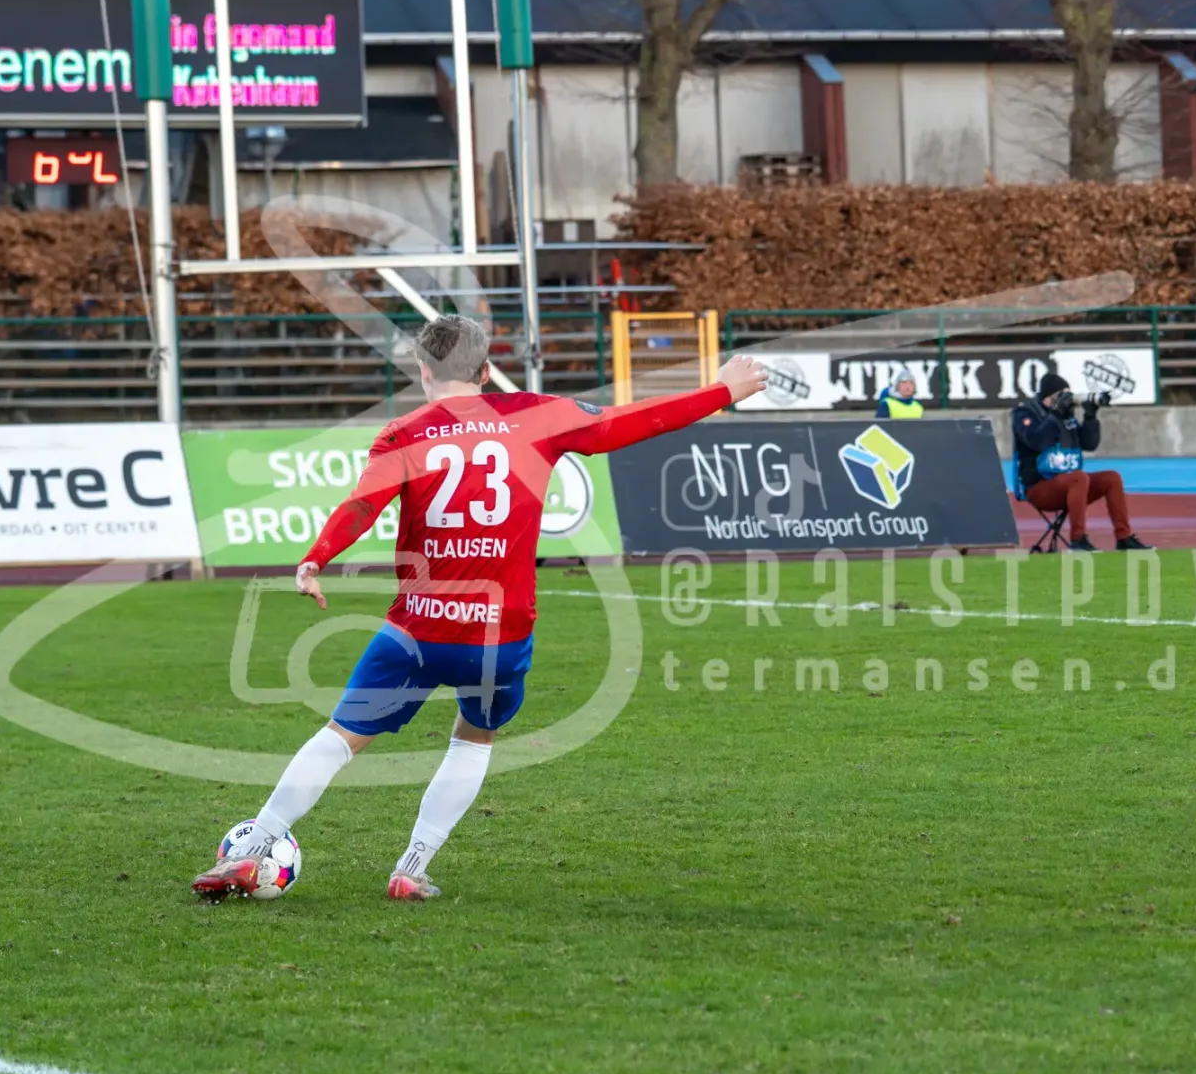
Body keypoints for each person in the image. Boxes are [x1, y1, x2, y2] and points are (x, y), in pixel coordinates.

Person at [192, 315, 769, 901]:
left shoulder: (404, 433)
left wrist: (316, 559)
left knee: (340, 737)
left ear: (423, 372)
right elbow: (634, 421)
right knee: (473, 738)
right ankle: (410, 869)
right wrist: (722, 390)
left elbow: (363, 504)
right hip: (499, 636)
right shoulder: (537, 415)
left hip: (417, 630)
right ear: (486, 370)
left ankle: (254, 848)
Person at [1012, 372, 1150, 553]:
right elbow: (1037, 441)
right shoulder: (1024, 413)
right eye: (1061, 395)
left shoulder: (1066, 415)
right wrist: (1055, 415)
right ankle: (1078, 540)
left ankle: (1124, 537)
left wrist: (1090, 416)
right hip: (1039, 486)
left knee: (1112, 478)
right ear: (1048, 397)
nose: (1067, 399)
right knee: (1078, 478)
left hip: (1069, 483)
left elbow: (1089, 444)